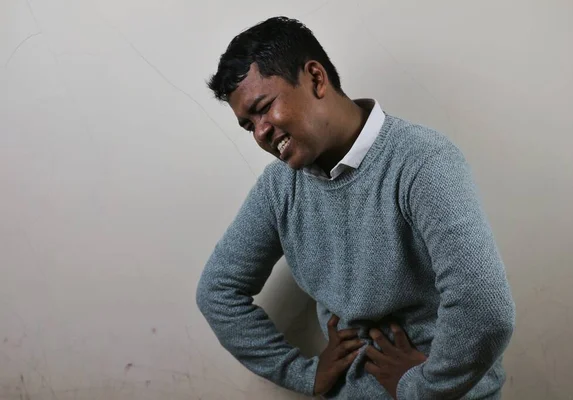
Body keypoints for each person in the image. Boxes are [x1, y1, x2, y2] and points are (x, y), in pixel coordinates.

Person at [197, 16, 515, 400]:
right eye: (248, 125)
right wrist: (304, 374)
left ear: (315, 78)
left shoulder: (422, 161)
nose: (260, 132)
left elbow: (485, 306)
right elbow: (217, 292)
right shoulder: (278, 188)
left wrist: (423, 387)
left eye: (264, 108)